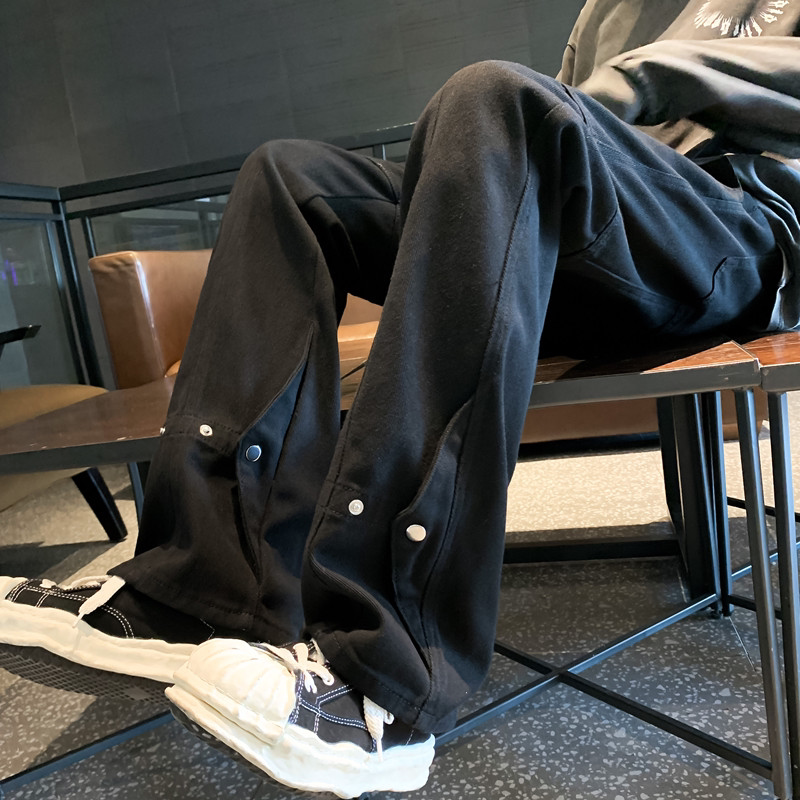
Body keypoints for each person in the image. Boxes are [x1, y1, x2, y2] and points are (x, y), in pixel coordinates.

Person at [1, 0, 799, 795]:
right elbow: (566, 109)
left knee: (494, 98)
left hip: (732, 221)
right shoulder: (611, 8)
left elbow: (583, 104)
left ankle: (386, 673)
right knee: (290, 177)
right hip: (582, 228)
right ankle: (203, 592)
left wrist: (638, 81)